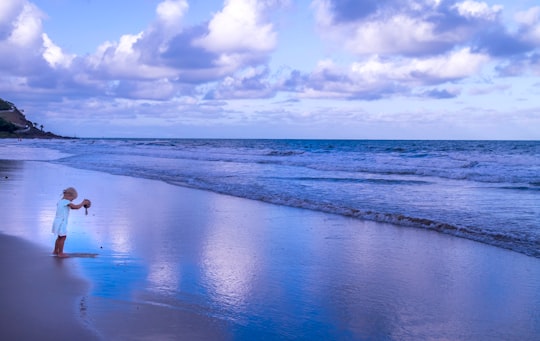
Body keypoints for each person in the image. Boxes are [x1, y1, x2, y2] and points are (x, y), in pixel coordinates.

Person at [51, 187, 90, 257]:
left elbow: (72, 207)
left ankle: (55, 251)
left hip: (57, 221)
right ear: (69, 195)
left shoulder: (61, 201)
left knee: (59, 237)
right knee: (63, 237)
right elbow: (76, 207)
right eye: (72, 199)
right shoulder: (66, 202)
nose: (72, 200)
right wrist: (83, 203)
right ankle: (60, 253)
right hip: (62, 222)